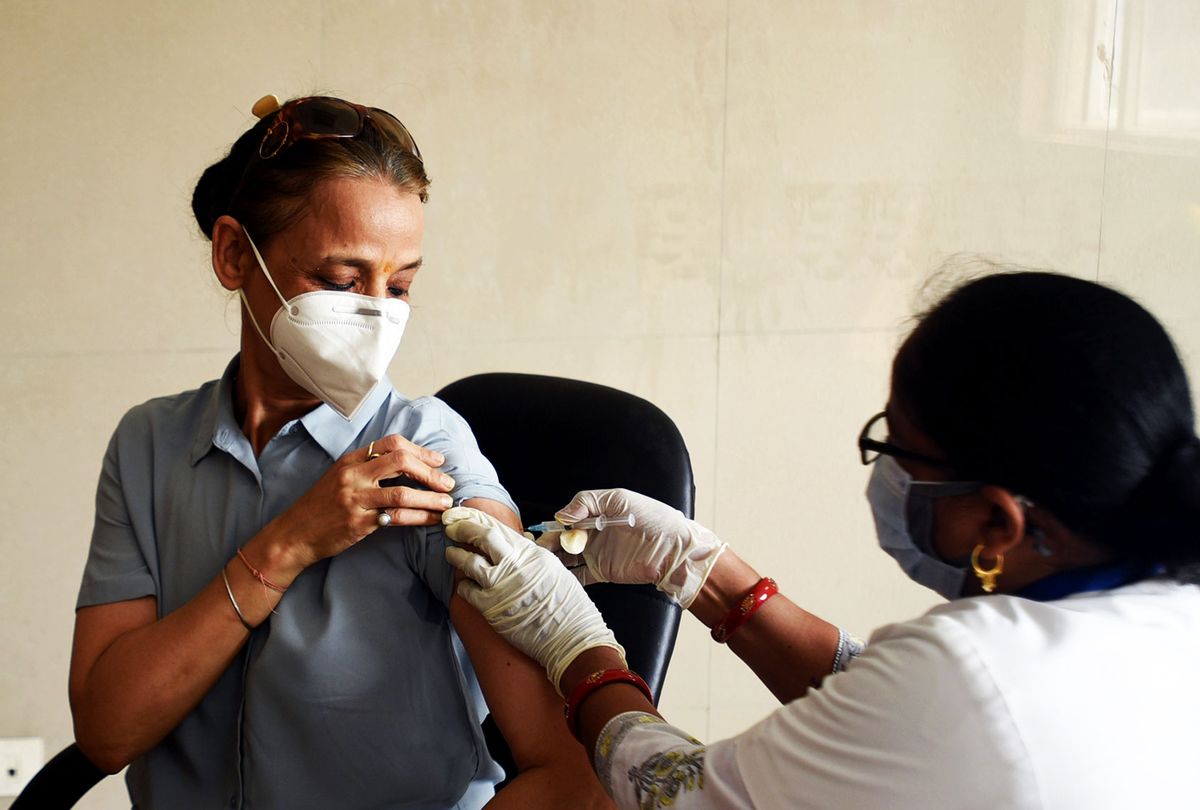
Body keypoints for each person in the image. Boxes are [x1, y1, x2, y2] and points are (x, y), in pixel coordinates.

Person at [441, 270, 1200, 808]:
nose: (886, 471)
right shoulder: (1168, 613)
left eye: (897, 450)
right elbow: (893, 717)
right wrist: (707, 574)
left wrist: (577, 647)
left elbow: (678, 798)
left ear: (998, 522)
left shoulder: (972, 672)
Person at [69, 94, 610, 809]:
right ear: (235, 254)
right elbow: (108, 733)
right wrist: (288, 544)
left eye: (402, 284)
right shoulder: (150, 446)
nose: (378, 311)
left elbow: (572, 778)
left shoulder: (423, 452)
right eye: (341, 281)